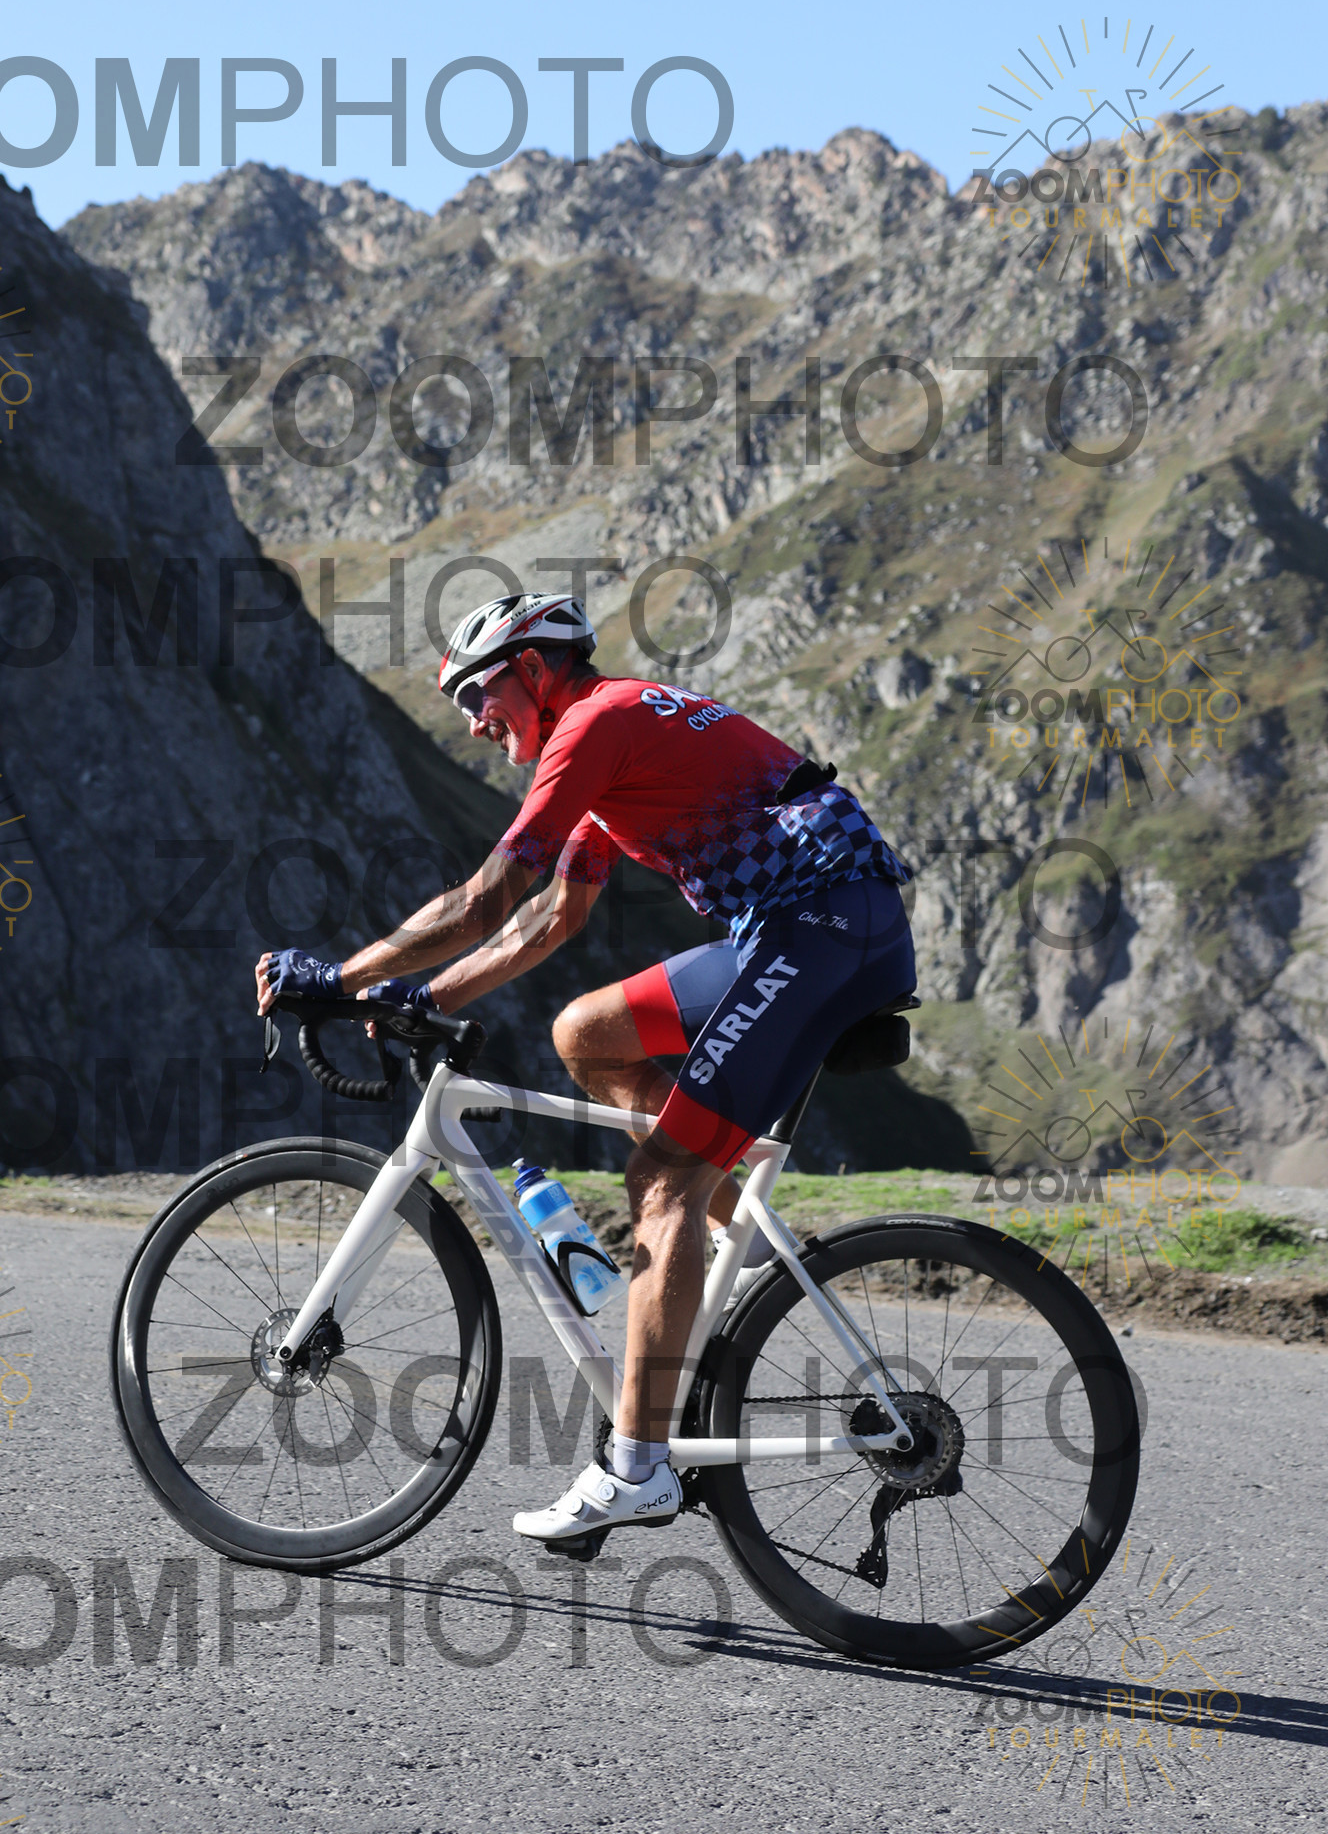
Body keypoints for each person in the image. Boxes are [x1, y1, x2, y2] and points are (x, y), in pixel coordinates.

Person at [254, 592, 915, 1547]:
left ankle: (636, 1467)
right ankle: (737, 1246)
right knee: (588, 1035)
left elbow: (486, 900)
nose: (474, 722)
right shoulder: (616, 737)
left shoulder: (595, 726)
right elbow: (550, 920)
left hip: (821, 928)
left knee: (661, 1182)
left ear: (532, 669)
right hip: (807, 925)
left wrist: (341, 977)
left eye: (478, 694)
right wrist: (425, 996)